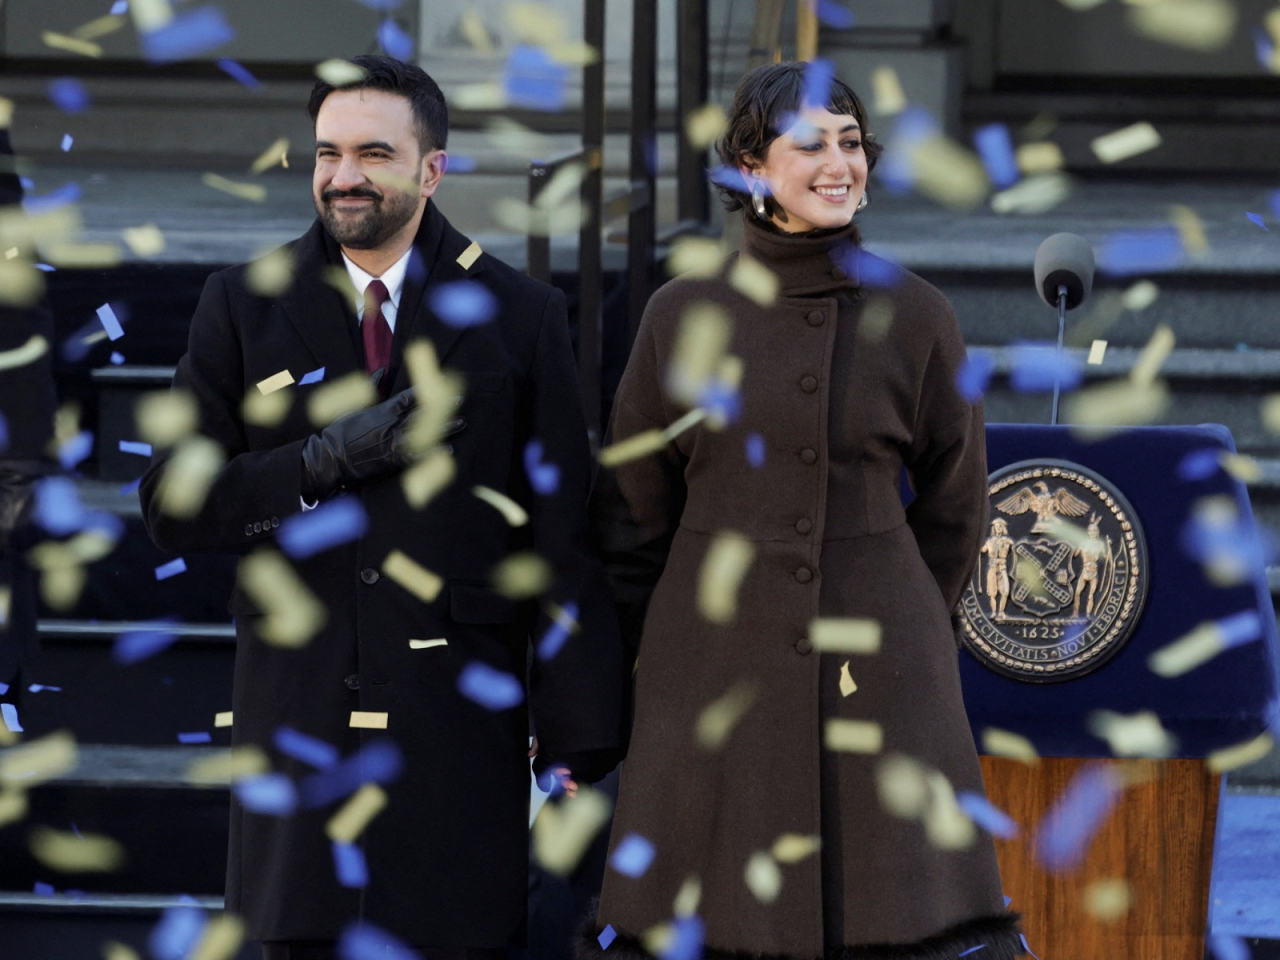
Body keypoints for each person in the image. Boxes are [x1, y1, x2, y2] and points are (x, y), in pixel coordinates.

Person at [139, 55, 626, 959]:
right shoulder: (242, 305)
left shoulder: (520, 314)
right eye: (327, 153)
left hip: (458, 724)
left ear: (432, 169)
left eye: (373, 152)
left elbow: (562, 536)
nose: (344, 176)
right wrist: (320, 460)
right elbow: (173, 504)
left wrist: (579, 732)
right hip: (298, 714)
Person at [583, 63, 1023, 959]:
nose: (840, 163)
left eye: (852, 142)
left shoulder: (918, 316)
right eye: (810, 143)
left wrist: (899, 623)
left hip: (881, 667)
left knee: (890, 914)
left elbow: (956, 503)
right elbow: (635, 510)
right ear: (750, 168)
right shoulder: (681, 314)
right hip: (711, 665)